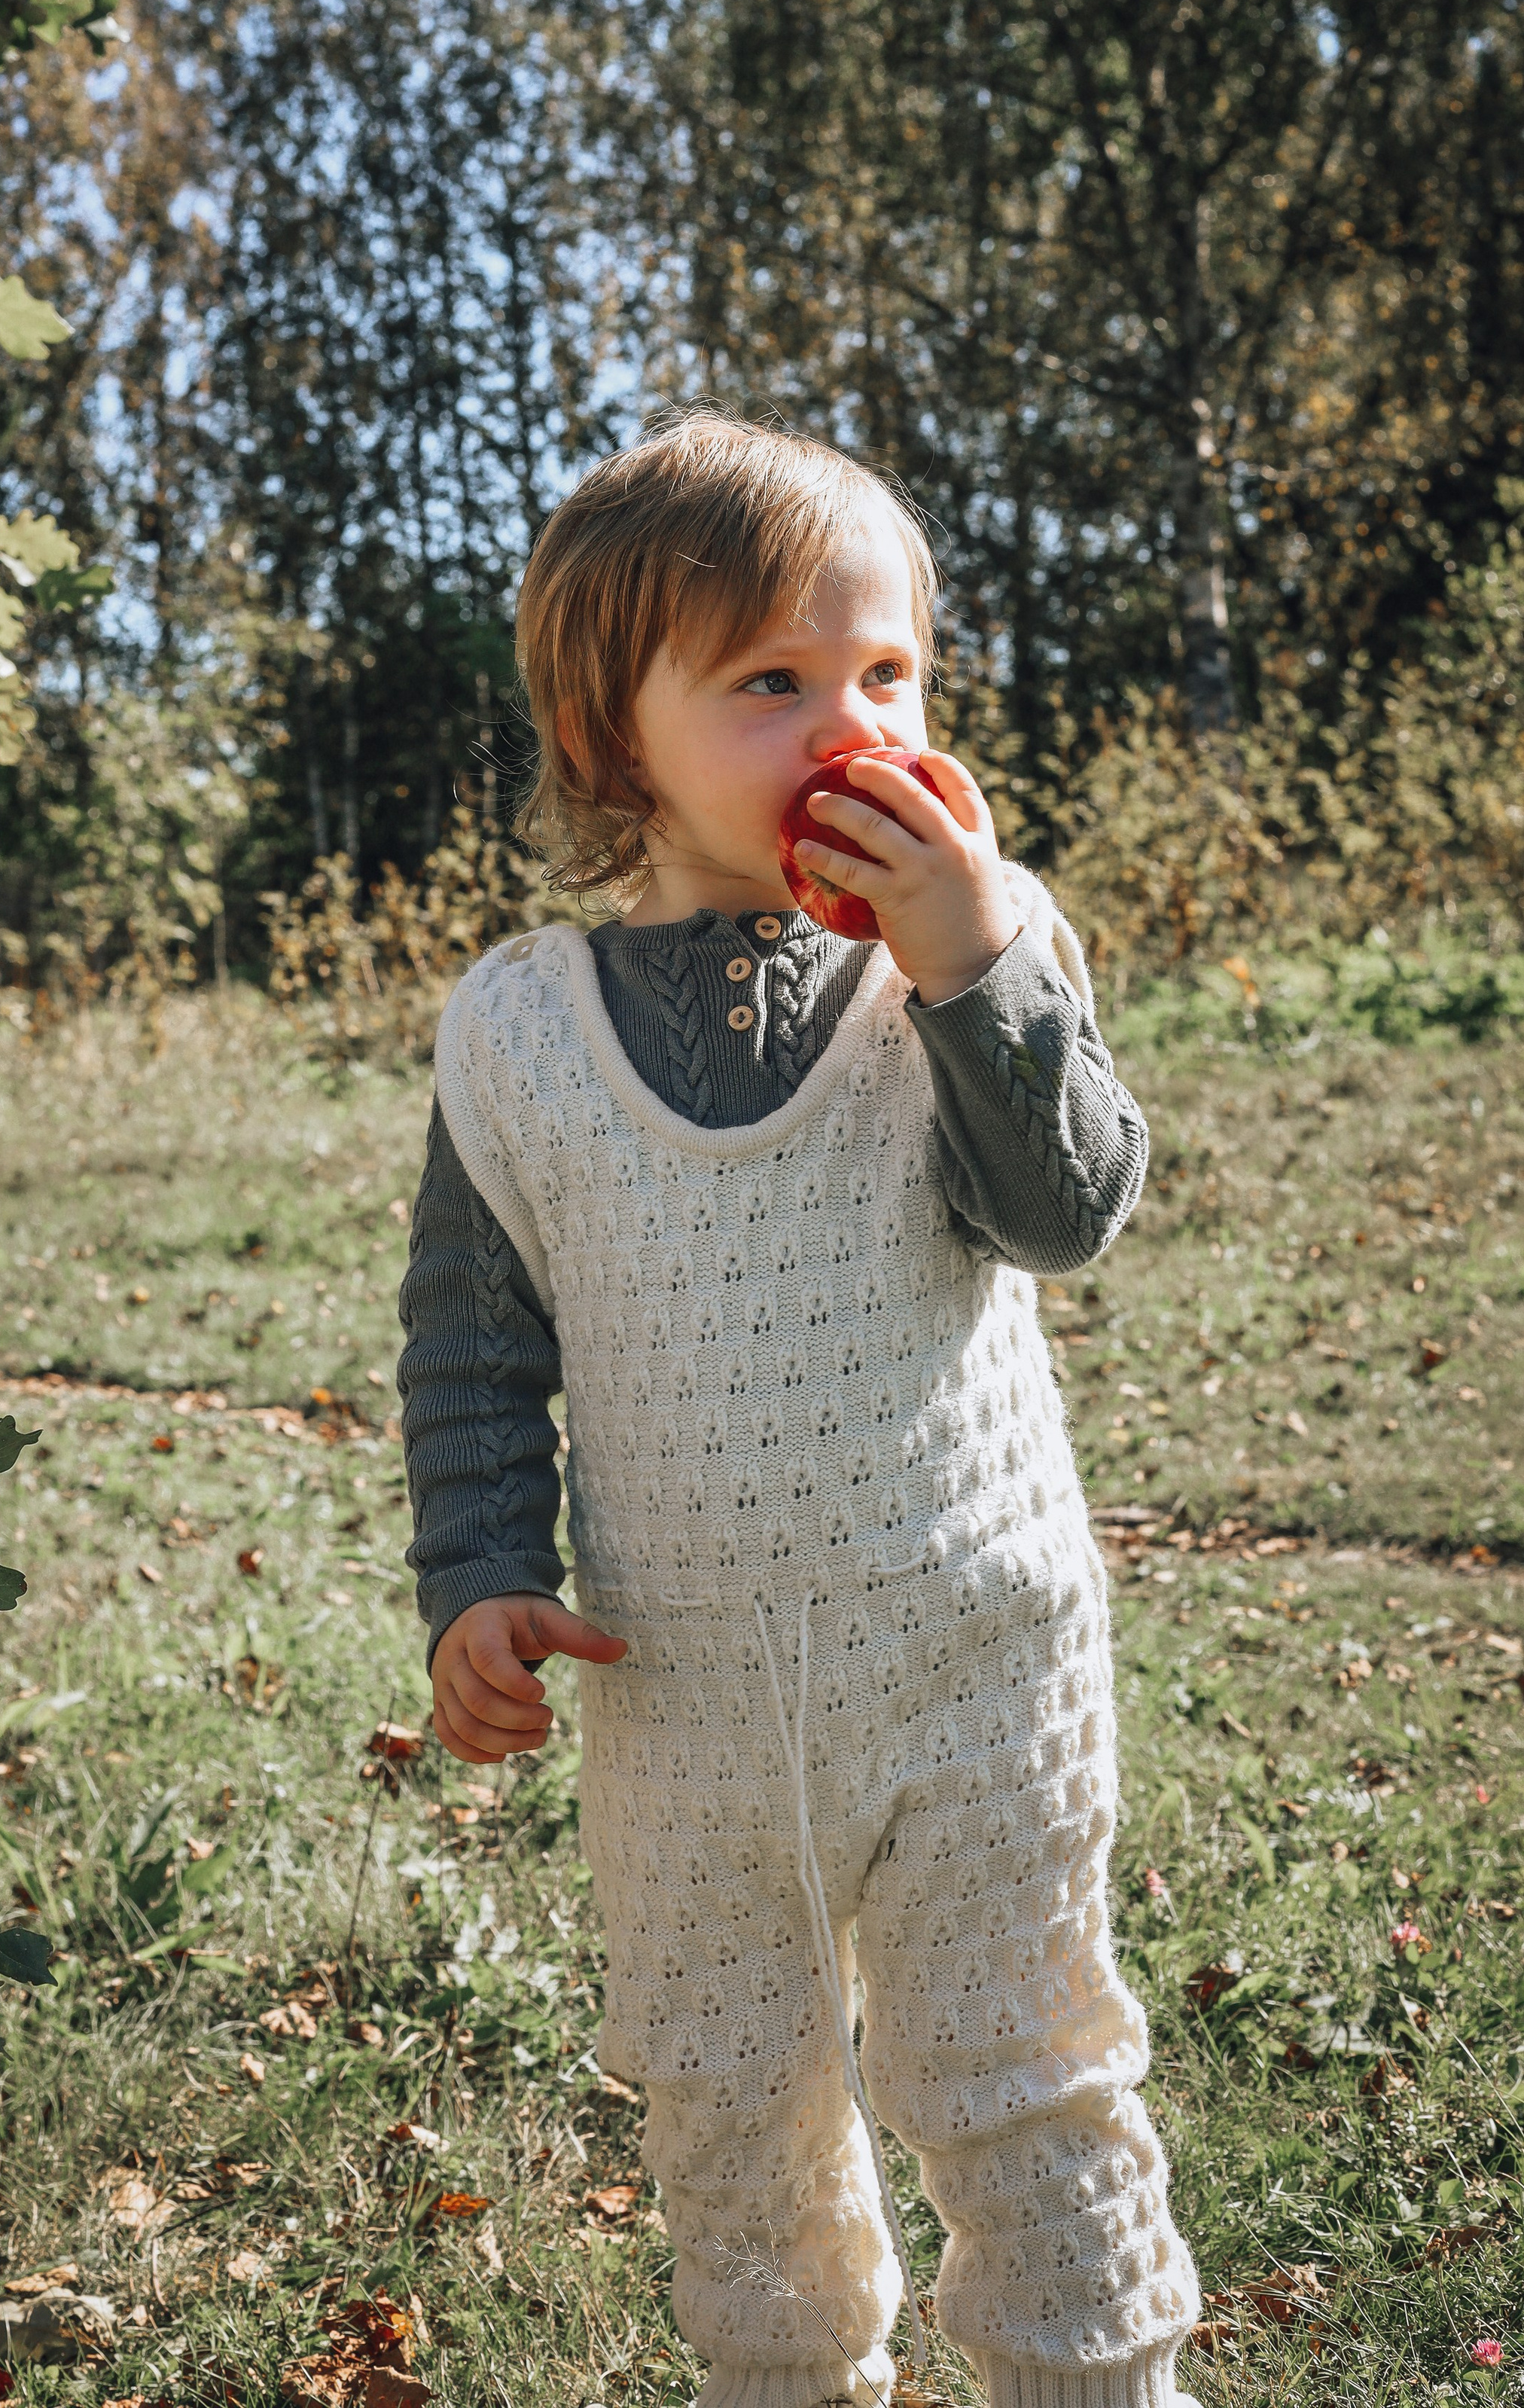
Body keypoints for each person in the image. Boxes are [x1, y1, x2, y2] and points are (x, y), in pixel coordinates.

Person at [398, 414, 1201, 2408]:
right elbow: (473, 1349)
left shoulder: (983, 951)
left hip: (976, 1656)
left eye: (888, 675)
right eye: (773, 682)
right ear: (614, 738)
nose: (850, 721)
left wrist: (972, 960)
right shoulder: (518, 1039)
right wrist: (479, 1578)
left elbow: (1068, 1208)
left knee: (1026, 2089)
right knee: (736, 2123)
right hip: (682, 1703)